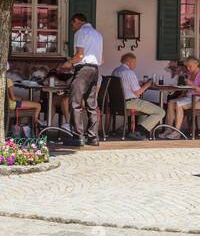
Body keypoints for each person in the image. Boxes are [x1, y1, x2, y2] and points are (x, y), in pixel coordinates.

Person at [63, 12, 103, 146]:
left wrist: (69, 63)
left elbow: (79, 55)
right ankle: (93, 137)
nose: (72, 27)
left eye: (72, 24)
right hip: (95, 69)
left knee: (75, 102)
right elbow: (101, 58)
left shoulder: (81, 32)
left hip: (84, 69)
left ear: (77, 21)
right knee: (92, 104)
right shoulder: (98, 34)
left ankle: (78, 136)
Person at [112, 53, 162, 139]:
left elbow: (125, 85)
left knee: (145, 108)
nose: (135, 65)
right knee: (160, 112)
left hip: (118, 103)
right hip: (130, 102)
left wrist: (138, 83)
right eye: (134, 62)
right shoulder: (129, 72)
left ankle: (138, 132)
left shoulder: (115, 71)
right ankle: (138, 131)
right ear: (128, 62)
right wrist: (148, 84)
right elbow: (138, 92)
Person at [160, 57, 200, 138]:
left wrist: (192, 84)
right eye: (187, 66)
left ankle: (177, 132)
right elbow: (188, 89)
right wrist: (181, 92)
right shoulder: (190, 74)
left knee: (179, 104)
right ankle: (168, 130)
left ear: (196, 64)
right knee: (171, 102)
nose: (188, 68)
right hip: (190, 98)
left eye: (190, 66)